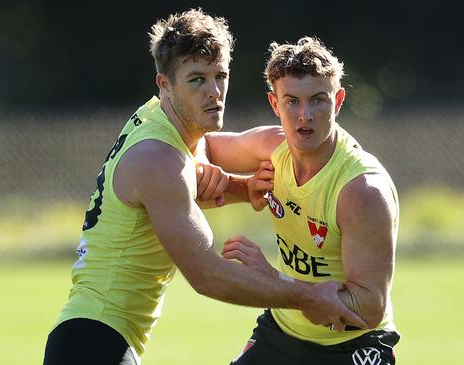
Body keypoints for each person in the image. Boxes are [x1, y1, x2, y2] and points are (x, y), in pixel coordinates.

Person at [42, 11, 367, 365]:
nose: (214, 92)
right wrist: (307, 296)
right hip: (94, 343)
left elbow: (201, 164)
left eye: (220, 76)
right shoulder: (159, 159)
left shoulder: (162, 123)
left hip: (91, 337)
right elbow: (208, 276)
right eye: (197, 79)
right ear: (164, 84)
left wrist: (242, 189)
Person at [201, 37, 401, 364]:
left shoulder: (362, 190)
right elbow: (199, 147)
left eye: (318, 100)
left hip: (351, 344)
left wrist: (274, 281)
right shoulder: (271, 146)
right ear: (274, 104)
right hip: (281, 333)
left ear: (338, 101)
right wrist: (237, 185)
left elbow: (369, 307)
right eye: (292, 101)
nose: (304, 115)